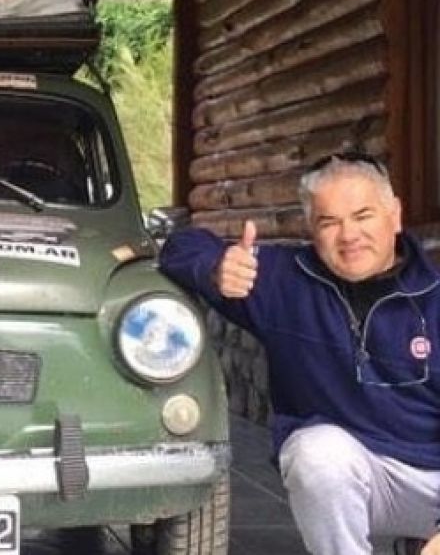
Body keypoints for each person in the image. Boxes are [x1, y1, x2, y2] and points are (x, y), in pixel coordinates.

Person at [158, 151, 440, 555]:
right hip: (355, 475)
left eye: (363, 216)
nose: (349, 235)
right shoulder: (281, 281)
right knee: (315, 454)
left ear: (394, 215)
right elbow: (181, 244)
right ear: (311, 228)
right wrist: (215, 267)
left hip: (433, 483)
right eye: (330, 222)